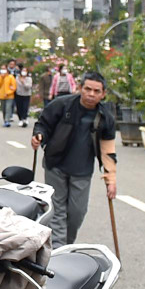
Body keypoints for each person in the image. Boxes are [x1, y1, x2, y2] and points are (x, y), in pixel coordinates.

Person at [29, 71, 119, 248]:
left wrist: (111, 179)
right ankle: (58, 250)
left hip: (82, 170)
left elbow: (108, 150)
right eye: (87, 89)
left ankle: (65, 246)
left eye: (96, 91)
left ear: (103, 94)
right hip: (56, 165)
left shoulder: (105, 117)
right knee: (58, 211)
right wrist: (38, 136)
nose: (91, 94)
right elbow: (43, 124)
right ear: (79, 88)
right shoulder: (62, 105)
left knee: (77, 213)